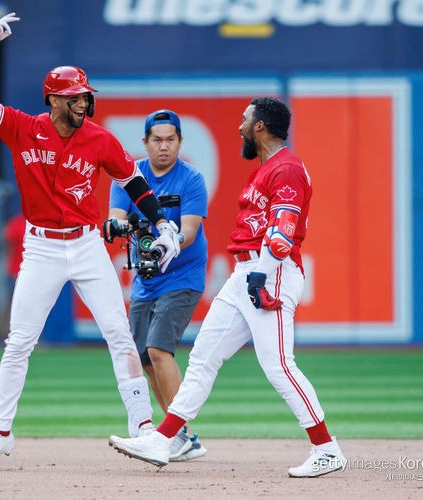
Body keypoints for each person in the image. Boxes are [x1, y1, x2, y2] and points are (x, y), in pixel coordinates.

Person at [0, 13, 181, 468]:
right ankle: (0, 432)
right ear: (54, 99)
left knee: (119, 335)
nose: (84, 103)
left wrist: (163, 224)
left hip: (85, 245)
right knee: (19, 342)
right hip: (41, 247)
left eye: (86, 96)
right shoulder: (22, 127)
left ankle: (142, 428)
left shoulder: (98, 139)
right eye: (76, 97)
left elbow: (133, 180)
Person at [108, 97, 347, 478]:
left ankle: (326, 447)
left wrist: (260, 276)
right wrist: (249, 275)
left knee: (279, 366)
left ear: (260, 127)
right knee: (203, 357)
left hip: (271, 270)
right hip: (245, 273)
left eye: (245, 119)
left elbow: (283, 231)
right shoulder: (267, 168)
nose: (239, 126)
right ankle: (167, 438)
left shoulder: (286, 168)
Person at [107, 110, 208, 462]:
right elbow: (116, 218)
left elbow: (191, 232)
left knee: (160, 350)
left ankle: (178, 434)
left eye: (170, 139)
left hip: (182, 275)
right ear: (146, 143)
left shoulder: (191, 178)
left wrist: (171, 240)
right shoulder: (130, 176)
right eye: (157, 139)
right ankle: (182, 436)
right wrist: (117, 226)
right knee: (145, 358)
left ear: (180, 141)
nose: (163, 146)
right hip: (146, 279)